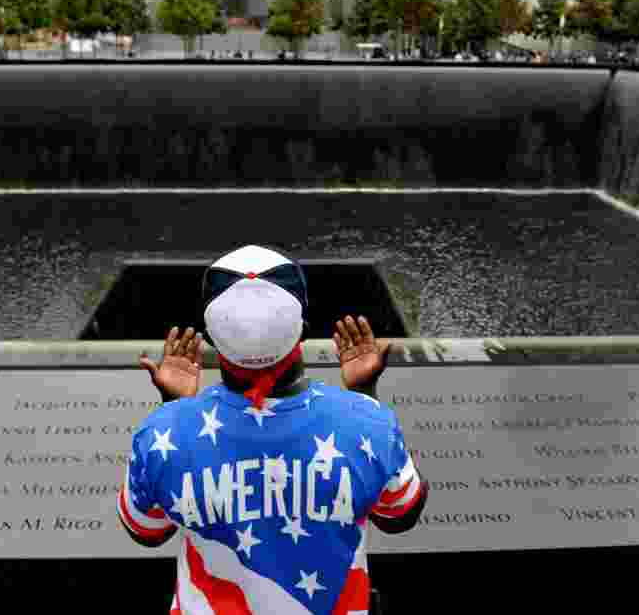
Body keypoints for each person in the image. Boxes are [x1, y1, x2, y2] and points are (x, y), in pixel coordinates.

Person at [121, 244, 429, 615]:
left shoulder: (161, 434)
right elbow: (399, 515)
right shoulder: (369, 423)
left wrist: (174, 409)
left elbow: (147, 531)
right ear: (303, 327)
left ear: (213, 336)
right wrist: (364, 395)